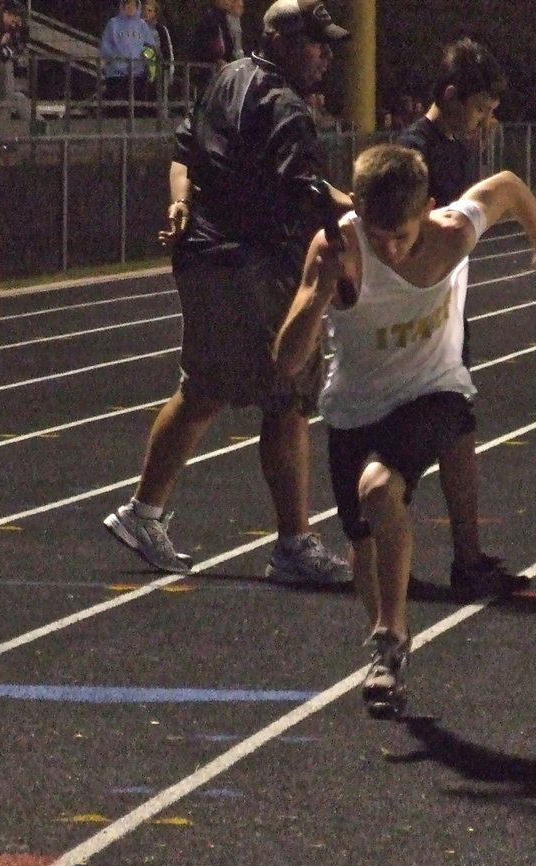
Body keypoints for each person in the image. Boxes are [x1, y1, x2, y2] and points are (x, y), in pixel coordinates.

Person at [274, 144, 536, 717]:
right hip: (354, 407)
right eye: (379, 235)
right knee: (362, 544)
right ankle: (385, 648)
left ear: (430, 210)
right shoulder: (338, 249)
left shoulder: (454, 232)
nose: (390, 250)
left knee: (378, 489)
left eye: (403, 236)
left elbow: (510, 185)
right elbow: (287, 360)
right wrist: (320, 291)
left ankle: (390, 639)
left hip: (435, 390)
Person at [103, 0, 354, 588]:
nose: (326, 54)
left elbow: (183, 152)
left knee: (206, 389)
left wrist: (181, 200)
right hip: (249, 262)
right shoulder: (283, 103)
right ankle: (293, 541)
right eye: (316, 43)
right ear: (281, 40)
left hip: (208, 256)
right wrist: (367, 210)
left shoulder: (227, 78)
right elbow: (303, 189)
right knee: (287, 396)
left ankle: (144, 513)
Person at [395, 37, 522, 601]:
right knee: (404, 444)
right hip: (413, 321)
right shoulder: (413, 154)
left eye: (490, 113)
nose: (483, 121)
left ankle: (467, 559)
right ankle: (385, 559)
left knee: (456, 434)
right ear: (448, 96)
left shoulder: (460, 145)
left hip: (448, 316)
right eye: (478, 109)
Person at [98, 0, 157, 117]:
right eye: (127, 4)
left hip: (137, 74)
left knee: (136, 108)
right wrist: (117, 63)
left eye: (133, 5)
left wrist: (148, 66)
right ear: (122, 6)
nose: (130, 8)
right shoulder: (113, 24)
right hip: (116, 74)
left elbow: (150, 47)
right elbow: (105, 47)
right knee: (117, 109)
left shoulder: (142, 25)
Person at [190, 0, 242, 88]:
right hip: (210, 68)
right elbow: (204, 43)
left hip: (224, 66)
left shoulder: (225, 19)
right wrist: (216, 58)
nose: (227, 2)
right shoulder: (209, 18)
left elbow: (229, 43)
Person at [140, 0, 173, 113]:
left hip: (158, 65)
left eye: (149, 11)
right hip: (139, 65)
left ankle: (159, 114)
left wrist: (170, 69)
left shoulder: (161, 29)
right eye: (144, 10)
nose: (146, 13)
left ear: (155, 13)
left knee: (158, 90)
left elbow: (167, 49)